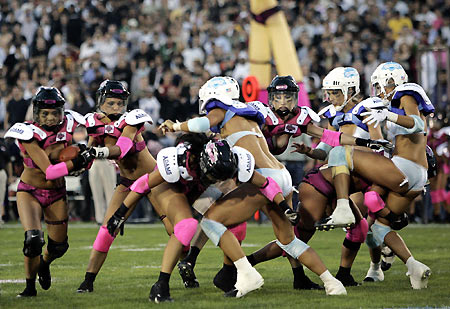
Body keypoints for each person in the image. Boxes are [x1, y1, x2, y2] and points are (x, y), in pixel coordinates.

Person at [159, 76, 388, 298]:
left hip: (262, 177)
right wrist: (365, 142)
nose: (283, 102)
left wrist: (176, 125)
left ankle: (245, 272)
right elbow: (330, 136)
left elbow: (203, 123)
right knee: (288, 240)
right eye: (279, 97)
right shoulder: (249, 115)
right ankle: (332, 282)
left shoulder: (223, 110)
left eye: (288, 97)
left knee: (210, 221)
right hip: (282, 175)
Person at [107, 138, 296, 302]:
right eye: (217, 176)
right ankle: (161, 284)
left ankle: (229, 273)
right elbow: (143, 184)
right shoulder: (181, 161)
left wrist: (285, 207)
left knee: (231, 224)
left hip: (199, 189)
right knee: (185, 226)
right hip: (174, 186)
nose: (221, 181)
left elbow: (266, 183)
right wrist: (119, 213)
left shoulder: (231, 161)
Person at [327, 62, 434, 289]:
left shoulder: (406, 94)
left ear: (390, 80)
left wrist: (388, 116)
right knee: (378, 226)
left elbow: (416, 124)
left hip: (404, 167)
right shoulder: (393, 105)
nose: (378, 90)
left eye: (379, 85)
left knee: (339, 153)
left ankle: (343, 206)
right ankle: (414, 266)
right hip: (414, 174)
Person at [5, 87, 93, 297]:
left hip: (56, 193)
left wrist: (85, 154)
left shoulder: (70, 123)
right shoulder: (27, 132)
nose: (51, 117)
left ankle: (44, 263)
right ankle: (29, 287)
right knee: (33, 239)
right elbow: (51, 171)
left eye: (54, 113)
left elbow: (91, 139)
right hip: (30, 191)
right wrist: (76, 161)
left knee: (59, 247)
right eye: (45, 113)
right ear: (36, 113)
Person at [76, 80, 159, 293]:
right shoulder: (93, 123)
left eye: (120, 103)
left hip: (153, 179)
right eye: (111, 103)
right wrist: (77, 162)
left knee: (173, 228)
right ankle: (88, 282)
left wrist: (96, 153)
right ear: (100, 102)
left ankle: (187, 267)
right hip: (127, 182)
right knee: (106, 230)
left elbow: (121, 149)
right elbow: (88, 157)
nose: (116, 108)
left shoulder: (131, 119)